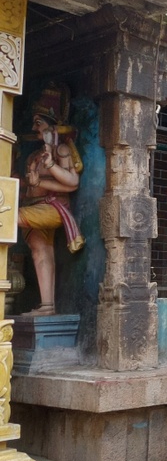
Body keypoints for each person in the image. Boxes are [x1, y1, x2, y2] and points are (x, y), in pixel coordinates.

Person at [17, 89, 84, 315]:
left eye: (39, 123)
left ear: (51, 125)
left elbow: (72, 183)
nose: (34, 128)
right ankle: (47, 305)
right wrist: (26, 182)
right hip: (33, 205)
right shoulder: (34, 156)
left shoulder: (61, 150)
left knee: (7, 218)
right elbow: (31, 185)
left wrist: (50, 168)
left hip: (52, 207)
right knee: (40, 251)